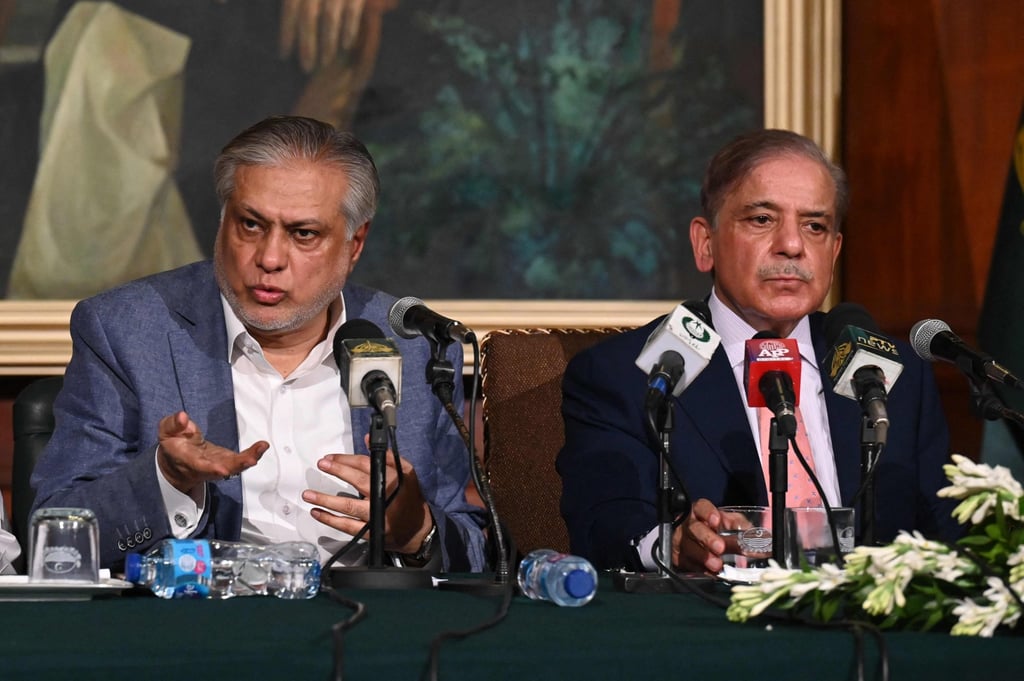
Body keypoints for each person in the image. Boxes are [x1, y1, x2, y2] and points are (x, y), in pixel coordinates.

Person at [30, 115, 487, 573]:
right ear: (223, 219)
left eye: (303, 234)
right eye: (250, 225)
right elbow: (55, 538)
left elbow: (475, 545)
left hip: (365, 628)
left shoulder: (411, 344)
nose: (269, 259)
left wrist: (416, 532)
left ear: (354, 244)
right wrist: (167, 480)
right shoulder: (127, 331)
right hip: (198, 627)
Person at [557, 128, 961, 573]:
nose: (792, 245)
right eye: (762, 220)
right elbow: (603, 524)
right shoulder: (629, 375)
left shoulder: (893, 376)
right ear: (705, 243)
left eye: (815, 226)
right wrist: (672, 545)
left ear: (834, 250)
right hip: (711, 631)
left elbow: (946, 535)